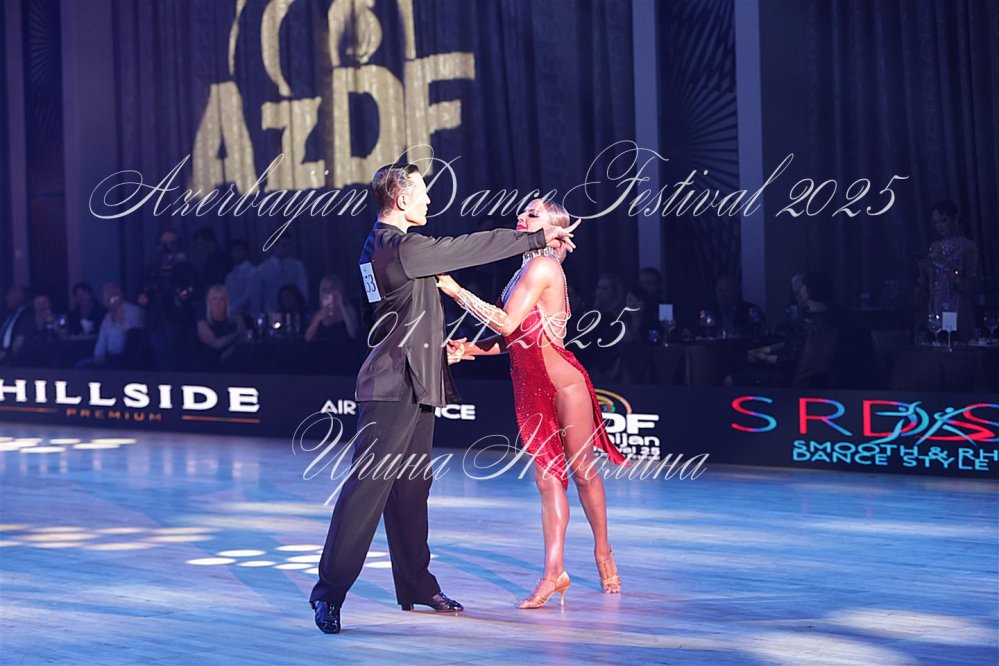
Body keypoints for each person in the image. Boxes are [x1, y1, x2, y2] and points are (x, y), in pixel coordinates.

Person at [309, 164, 576, 634]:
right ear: (400, 199)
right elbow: (470, 247)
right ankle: (329, 592)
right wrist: (535, 238)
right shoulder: (402, 247)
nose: (430, 201)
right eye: (423, 193)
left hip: (417, 380)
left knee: (412, 489)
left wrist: (440, 351)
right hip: (391, 386)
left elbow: (400, 315)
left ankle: (416, 584)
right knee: (367, 490)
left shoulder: (379, 244)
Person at [437, 198, 626, 609]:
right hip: (531, 388)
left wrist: (455, 290)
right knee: (546, 478)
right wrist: (469, 349)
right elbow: (514, 338)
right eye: (523, 212)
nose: (521, 217)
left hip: (564, 386)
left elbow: (506, 322)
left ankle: (603, 550)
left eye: (532, 214)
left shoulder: (543, 267)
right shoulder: (523, 271)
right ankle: (554, 572)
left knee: (583, 472)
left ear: (553, 228)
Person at [915, 199, 980, 340]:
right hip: (936, 307)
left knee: (957, 343)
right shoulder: (934, 246)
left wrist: (947, 268)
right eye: (936, 223)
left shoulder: (968, 247)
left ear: (955, 219)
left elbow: (970, 285)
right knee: (938, 342)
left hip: (958, 305)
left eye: (943, 221)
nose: (939, 226)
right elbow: (929, 284)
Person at [93, 283, 145, 367]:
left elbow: (136, 337)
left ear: (121, 294)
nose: (113, 299)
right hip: (110, 359)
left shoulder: (134, 311)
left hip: (129, 360)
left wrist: (122, 321)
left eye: (114, 294)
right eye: (108, 296)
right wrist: (97, 359)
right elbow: (101, 340)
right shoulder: (107, 317)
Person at [257, 232, 309, 314]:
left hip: (295, 313)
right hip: (271, 313)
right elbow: (260, 296)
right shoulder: (262, 270)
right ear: (274, 246)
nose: (288, 249)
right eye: (284, 245)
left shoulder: (297, 266)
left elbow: (303, 290)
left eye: (289, 245)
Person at [196, 285, 245, 370]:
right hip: (208, 367)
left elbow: (244, 338)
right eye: (214, 299)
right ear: (208, 302)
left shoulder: (236, 319)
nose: (218, 303)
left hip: (235, 364)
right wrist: (237, 333)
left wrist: (231, 350)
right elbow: (216, 344)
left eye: (221, 299)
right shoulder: (202, 322)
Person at [304, 275, 359, 345]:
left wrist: (342, 307)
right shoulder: (319, 313)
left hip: (346, 349)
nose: (328, 292)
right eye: (324, 289)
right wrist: (318, 319)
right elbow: (307, 338)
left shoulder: (348, 309)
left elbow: (354, 335)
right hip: (325, 350)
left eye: (332, 288)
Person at [224, 239, 258, 319]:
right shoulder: (229, 276)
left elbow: (248, 297)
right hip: (231, 317)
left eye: (239, 251)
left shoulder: (253, 272)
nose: (236, 254)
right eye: (233, 251)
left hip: (248, 317)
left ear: (246, 252)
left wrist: (230, 310)